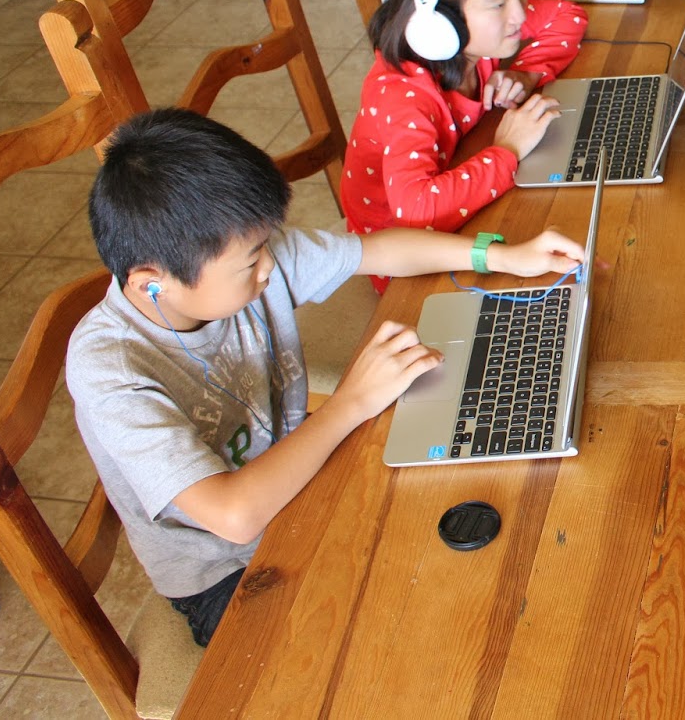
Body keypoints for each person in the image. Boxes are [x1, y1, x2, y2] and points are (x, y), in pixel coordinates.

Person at [68, 108, 586, 646]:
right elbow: (234, 515)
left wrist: (501, 255)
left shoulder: (238, 258)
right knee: (370, 641)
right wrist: (350, 402)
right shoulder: (110, 369)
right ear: (152, 284)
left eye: (266, 246)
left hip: (306, 477)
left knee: (483, 544)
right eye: (250, 262)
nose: (269, 267)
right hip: (229, 570)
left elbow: (378, 250)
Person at [347, 0, 586, 290]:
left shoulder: (479, 40)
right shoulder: (402, 95)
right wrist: (507, 150)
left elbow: (566, 16)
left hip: (461, 179)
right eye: (498, 3)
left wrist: (525, 73)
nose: (519, 12)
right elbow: (417, 213)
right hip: (407, 261)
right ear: (442, 21)